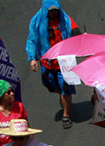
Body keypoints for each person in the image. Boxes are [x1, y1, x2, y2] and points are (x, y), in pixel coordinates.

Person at [26, 0, 82, 128]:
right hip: (47, 62)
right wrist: (32, 58)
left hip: (64, 63)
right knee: (50, 85)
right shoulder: (37, 21)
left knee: (66, 89)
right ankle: (62, 95)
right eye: (51, 10)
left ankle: (66, 115)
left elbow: (74, 31)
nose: (54, 12)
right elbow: (32, 40)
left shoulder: (65, 19)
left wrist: (79, 40)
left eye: (55, 9)